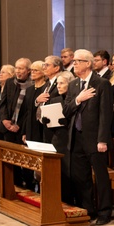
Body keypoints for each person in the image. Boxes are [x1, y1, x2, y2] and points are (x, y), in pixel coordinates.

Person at [63, 49, 114, 225]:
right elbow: (66, 111)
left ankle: (105, 212)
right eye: (74, 61)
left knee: (100, 176)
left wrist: (102, 140)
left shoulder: (102, 84)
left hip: (94, 138)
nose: (74, 63)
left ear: (88, 63)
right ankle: (88, 210)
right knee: (81, 177)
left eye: (78, 61)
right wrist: (78, 99)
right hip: (76, 137)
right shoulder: (73, 85)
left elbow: (105, 115)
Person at [41, 72, 75, 205]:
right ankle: (60, 199)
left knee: (70, 171)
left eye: (62, 83)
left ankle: (71, 200)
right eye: (57, 83)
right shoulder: (55, 100)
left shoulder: (74, 100)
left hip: (70, 139)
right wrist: (46, 120)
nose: (58, 86)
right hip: (57, 139)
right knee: (59, 171)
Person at [0, 58, 33, 144]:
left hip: (21, 130)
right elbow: (3, 103)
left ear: (28, 70)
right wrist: (4, 120)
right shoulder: (10, 82)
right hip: (6, 127)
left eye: (21, 68)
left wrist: (19, 125)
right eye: (16, 68)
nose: (17, 71)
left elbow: (29, 110)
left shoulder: (32, 85)